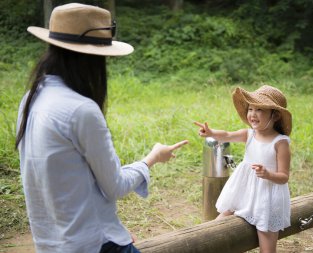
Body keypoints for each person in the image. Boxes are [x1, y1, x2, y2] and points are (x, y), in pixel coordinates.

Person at [15, 3, 188, 253]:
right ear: (91, 59)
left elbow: (66, 181)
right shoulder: (81, 109)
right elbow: (115, 186)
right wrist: (152, 158)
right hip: (92, 246)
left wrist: (110, 226)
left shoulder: (31, 99)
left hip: (51, 245)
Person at [194, 85, 292, 253]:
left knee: (267, 245)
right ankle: (203, 243)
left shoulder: (280, 142)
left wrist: (268, 174)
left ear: (275, 115)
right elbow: (226, 135)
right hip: (242, 192)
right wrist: (211, 132)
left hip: (266, 198)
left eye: (259, 109)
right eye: (250, 108)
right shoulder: (249, 134)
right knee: (220, 222)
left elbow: (284, 176)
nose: (252, 114)